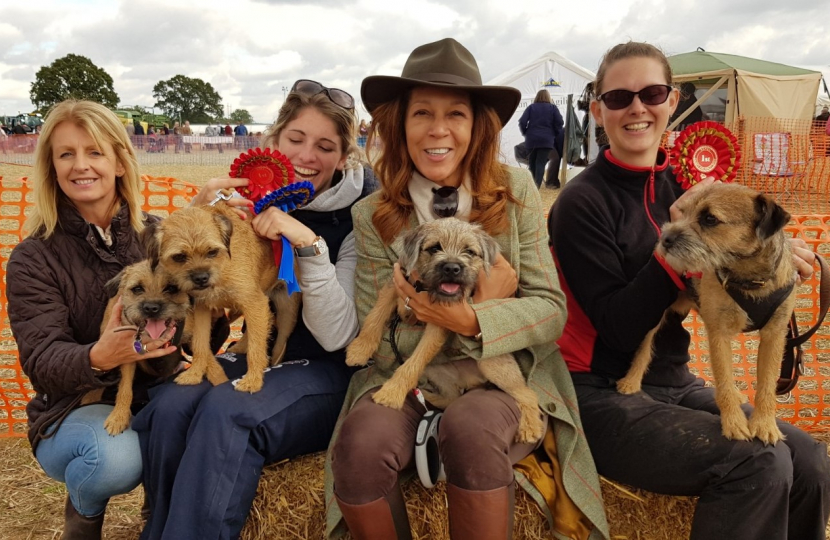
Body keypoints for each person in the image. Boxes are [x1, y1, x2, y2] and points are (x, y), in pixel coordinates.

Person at [327, 38, 609, 540]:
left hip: (501, 376)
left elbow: (550, 312)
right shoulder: (371, 215)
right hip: (412, 374)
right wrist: (432, 313)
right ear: (400, 124)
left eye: (455, 113)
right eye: (422, 114)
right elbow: (379, 337)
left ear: (477, 125)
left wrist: (477, 319)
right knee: (359, 443)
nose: (438, 130)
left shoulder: (517, 189)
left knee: (472, 430)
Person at [548, 41, 830, 540]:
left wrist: (772, 261)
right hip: (598, 390)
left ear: (672, 101)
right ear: (596, 110)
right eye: (618, 98)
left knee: (808, 459)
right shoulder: (580, 203)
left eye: (651, 92)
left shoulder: (689, 184)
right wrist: (680, 256)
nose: (637, 107)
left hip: (675, 380)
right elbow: (615, 330)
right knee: (758, 466)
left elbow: (742, 248)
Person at [131, 79, 378, 540]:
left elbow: (337, 336)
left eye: (325, 146)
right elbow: (200, 300)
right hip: (258, 344)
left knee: (229, 410)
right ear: (274, 142)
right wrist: (196, 220)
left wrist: (309, 244)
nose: (307, 155)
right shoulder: (241, 205)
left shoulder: (364, 216)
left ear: (345, 156)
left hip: (330, 367)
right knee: (170, 405)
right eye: (296, 140)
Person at [5, 100, 179, 540]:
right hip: (71, 408)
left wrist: (213, 309)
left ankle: (157, 524)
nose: (81, 165)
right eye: (66, 154)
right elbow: (42, 360)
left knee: (198, 422)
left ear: (121, 161)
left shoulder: (159, 235)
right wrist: (98, 356)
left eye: (95, 152)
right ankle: (81, 521)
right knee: (114, 459)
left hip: (155, 393)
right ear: (52, 166)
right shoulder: (34, 256)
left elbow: (197, 338)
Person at [518, 88, 564, 189]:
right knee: (540, 163)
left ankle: (531, 186)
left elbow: (522, 122)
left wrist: (526, 132)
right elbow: (560, 122)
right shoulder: (553, 108)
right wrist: (554, 133)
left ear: (537, 97)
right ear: (548, 97)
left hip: (531, 139)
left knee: (532, 163)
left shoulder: (531, 107)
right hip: (546, 140)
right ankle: (536, 187)